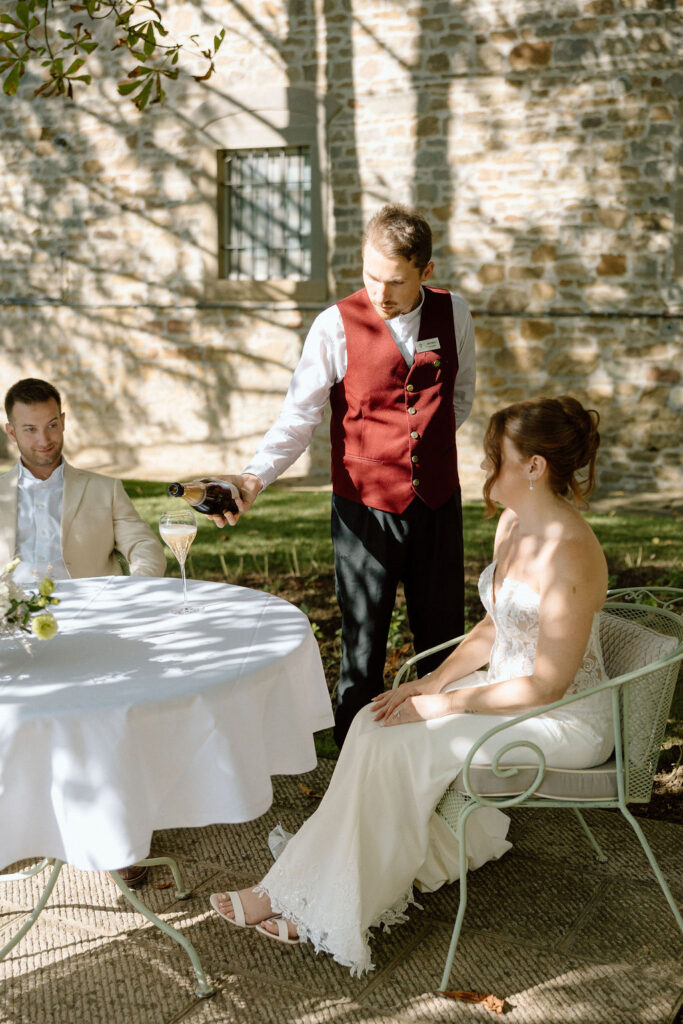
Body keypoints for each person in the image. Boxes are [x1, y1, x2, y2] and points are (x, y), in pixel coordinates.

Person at [209, 396, 615, 976]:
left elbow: (549, 686)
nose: (485, 466)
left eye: (496, 455)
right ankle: (302, 882)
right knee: (373, 720)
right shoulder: (513, 524)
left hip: (562, 716)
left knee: (407, 744)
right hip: (506, 690)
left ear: (534, 466)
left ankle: (327, 902)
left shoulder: (571, 554)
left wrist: (447, 704)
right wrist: (431, 681)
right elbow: (492, 626)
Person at [212, 204, 476, 746]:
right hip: (365, 510)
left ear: (426, 272)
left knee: (443, 639)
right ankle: (355, 759)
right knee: (363, 646)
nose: (380, 292)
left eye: (396, 281)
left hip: (437, 504)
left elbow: (460, 397)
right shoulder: (334, 325)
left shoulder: (455, 312)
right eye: (370, 276)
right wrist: (254, 478)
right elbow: (298, 419)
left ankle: (442, 753)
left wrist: (424, 451)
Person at [1, 377, 167, 887]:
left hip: (93, 623)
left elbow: (144, 547)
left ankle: (118, 838)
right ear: (11, 432)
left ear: (64, 421)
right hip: (12, 630)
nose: (44, 439)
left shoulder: (103, 488)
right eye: (31, 429)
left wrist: (132, 594)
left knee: (101, 722)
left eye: (52, 425)